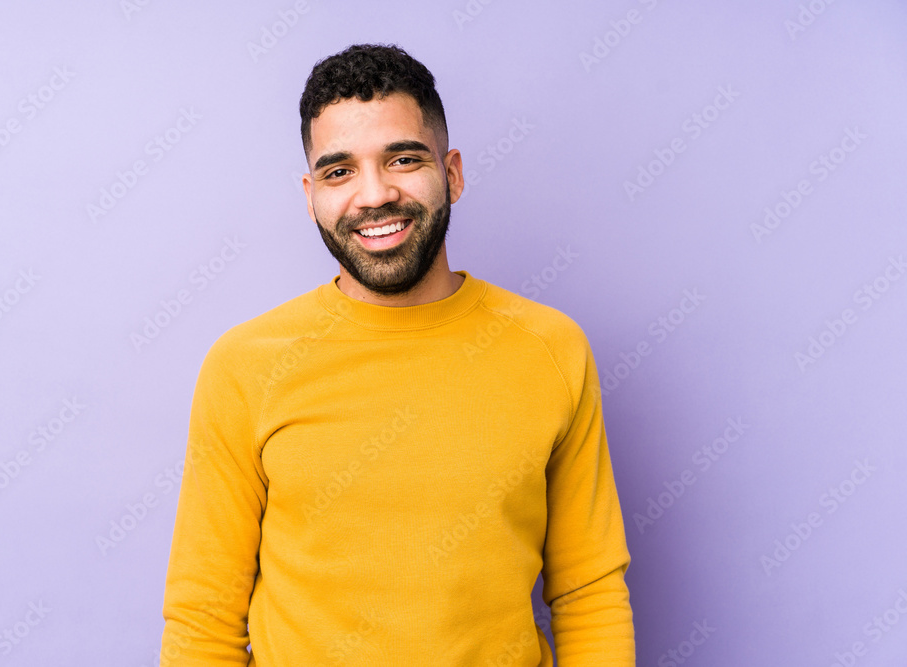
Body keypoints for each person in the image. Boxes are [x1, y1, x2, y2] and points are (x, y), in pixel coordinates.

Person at [159, 43, 634, 666]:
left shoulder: (550, 347)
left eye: (403, 159)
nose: (374, 195)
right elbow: (204, 618)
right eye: (339, 171)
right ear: (311, 195)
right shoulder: (246, 365)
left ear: (453, 173)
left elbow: (589, 591)